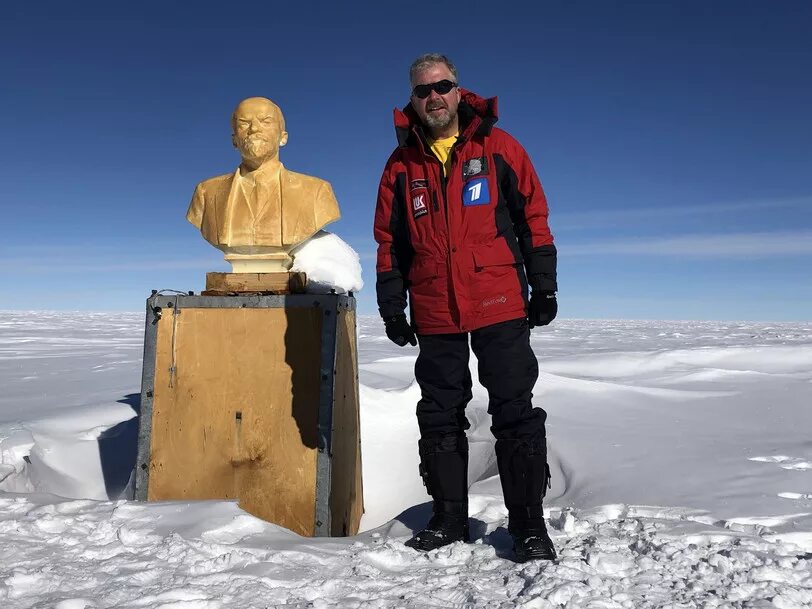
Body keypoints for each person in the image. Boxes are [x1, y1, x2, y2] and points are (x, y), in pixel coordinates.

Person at [374, 54, 558, 562]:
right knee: (439, 414)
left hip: (498, 301)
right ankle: (449, 518)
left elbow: (533, 217)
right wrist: (392, 305)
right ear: (412, 100)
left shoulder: (498, 147)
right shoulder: (401, 164)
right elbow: (389, 240)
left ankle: (528, 525)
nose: (433, 97)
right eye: (422, 91)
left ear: (459, 91)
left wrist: (543, 286)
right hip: (434, 307)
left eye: (442, 86)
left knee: (515, 412)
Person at [187, 97, 340, 271]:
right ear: (234, 140)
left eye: (265, 121)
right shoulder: (206, 192)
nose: (254, 129)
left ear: (283, 137)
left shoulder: (317, 191)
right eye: (244, 123)